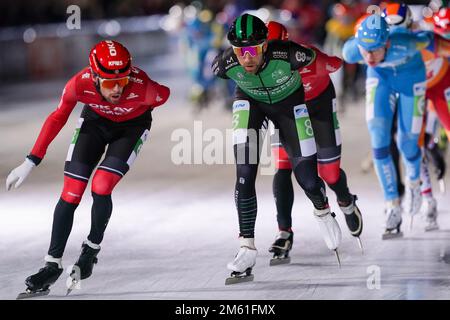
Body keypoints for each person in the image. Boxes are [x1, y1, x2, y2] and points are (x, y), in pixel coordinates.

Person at [7, 40, 170, 299]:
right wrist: (31, 160)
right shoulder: (78, 83)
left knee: (101, 186)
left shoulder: (148, 90)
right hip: (94, 123)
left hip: (131, 128)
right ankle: (52, 264)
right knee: (71, 192)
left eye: (123, 81)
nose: (117, 89)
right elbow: (57, 117)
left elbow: (165, 93)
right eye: (108, 83)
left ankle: (91, 250)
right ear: (94, 76)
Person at [212, 13, 343, 284]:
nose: (245, 58)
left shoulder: (292, 55)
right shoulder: (224, 64)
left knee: (307, 178)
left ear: (265, 46)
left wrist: (329, 70)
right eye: (240, 51)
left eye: (252, 50)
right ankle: (246, 247)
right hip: (251, 105)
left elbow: (323, 63)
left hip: (289, 108)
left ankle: (322, 209)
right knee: (244, 173)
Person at [266, 21, 363, 265]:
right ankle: (284, 232)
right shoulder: (258, 67)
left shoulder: (307, 57)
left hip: (319, 107)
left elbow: (336, 63)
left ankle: (346, 201)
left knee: (328, 174)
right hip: (289, 112)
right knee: (283, 166)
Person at [343, 14, 432, 239]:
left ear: (388, 43)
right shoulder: (352, 51)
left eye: (375, 50)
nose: (369, 56)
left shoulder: (407, 41)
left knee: (408, 141)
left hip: (412, 80)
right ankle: (392, 203)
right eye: (365, 50)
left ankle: (413, 181)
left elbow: (432, 38)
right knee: (378, 136)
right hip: (381, 80)